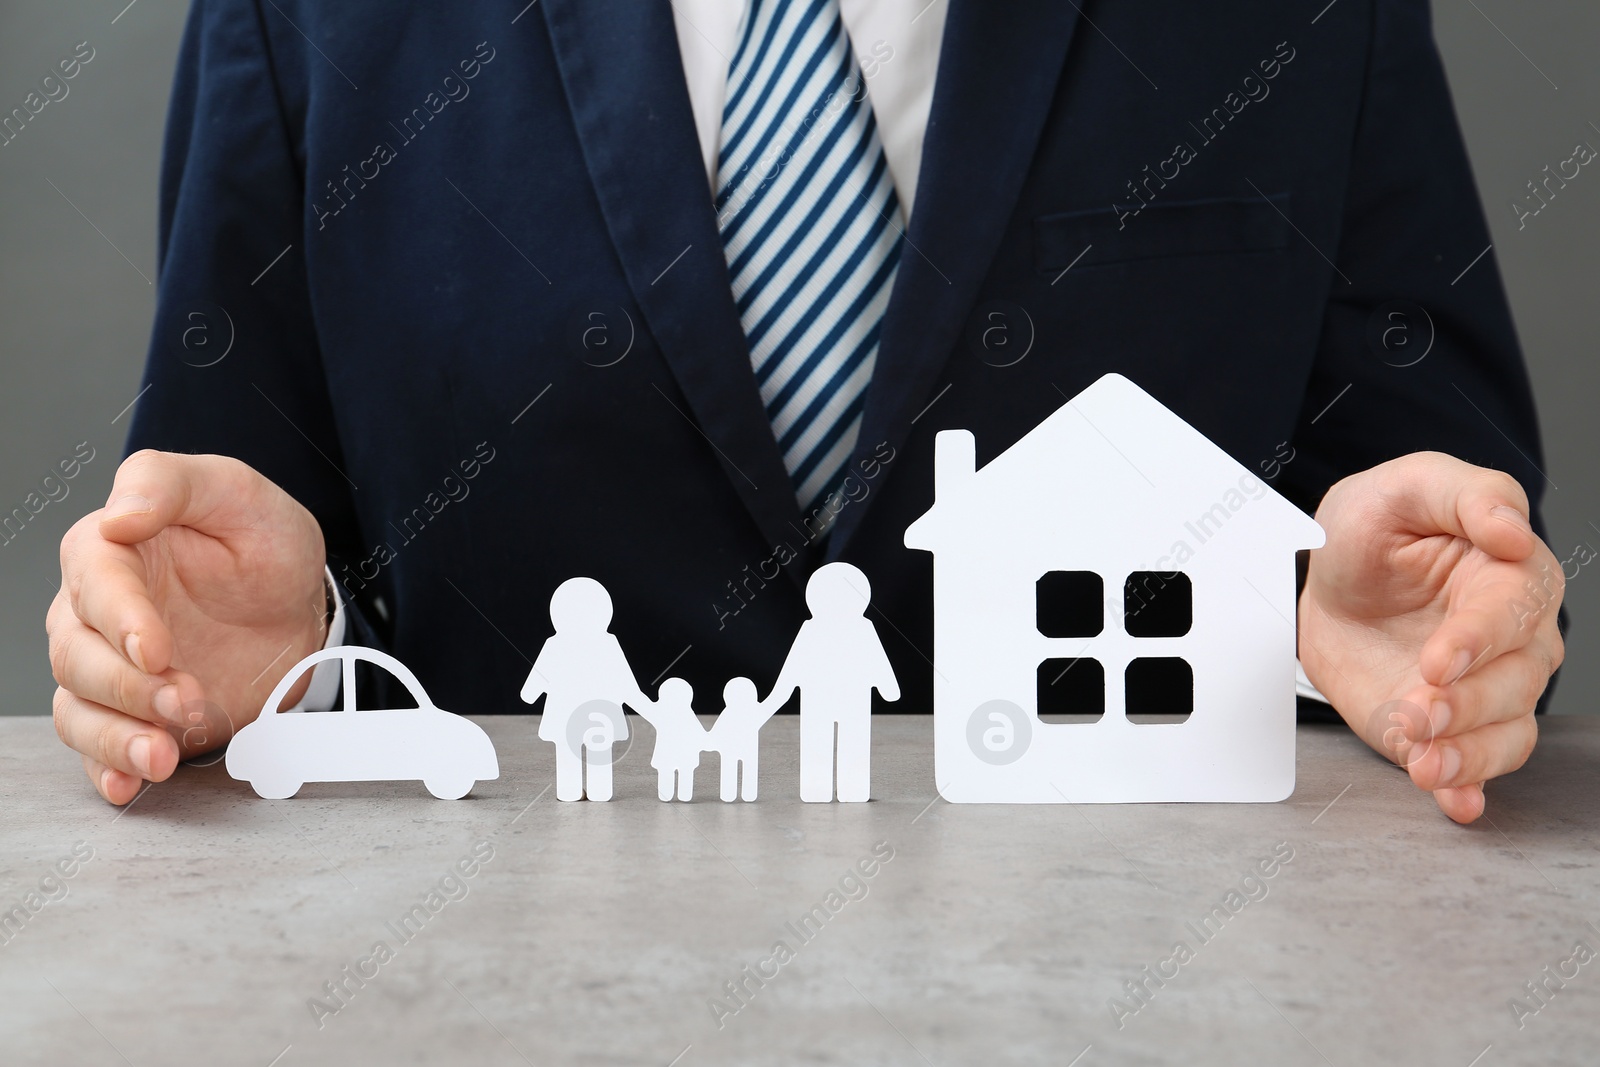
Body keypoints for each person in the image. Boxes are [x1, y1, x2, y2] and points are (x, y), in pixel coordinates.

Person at [46, 0, 1563, 824]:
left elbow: (1425, 522)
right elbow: (218, 526)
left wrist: (1410, 647)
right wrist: (257, 662)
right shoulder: (304, 19)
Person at [765, 563, 900, 802]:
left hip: (844, 700)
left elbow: (876, 658)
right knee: (820, 744)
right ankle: (820, 788)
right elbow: (793, 666)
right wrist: (888, 689)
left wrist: (778, 695)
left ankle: (850, 788)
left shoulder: (860, 628)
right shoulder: (817, 628)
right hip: (828, 700)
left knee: (850, 744)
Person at [519, 578, 648, 802]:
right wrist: (646, 706)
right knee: (598, 752)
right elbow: (627, 685)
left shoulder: (555, 644)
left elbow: (529, 692)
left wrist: (531, 693)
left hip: (565, 713)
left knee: (569, 751)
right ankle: (598, 792)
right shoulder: (607, 643)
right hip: (601, 715)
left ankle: (571, 791)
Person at [707, 676, 778, 802]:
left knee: (740, 768)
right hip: (739, 749)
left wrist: (709, 740)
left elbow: (717, 730)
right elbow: (718, 730)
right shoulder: (738, 712)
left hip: (740, 749)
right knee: (736, 767)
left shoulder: (735, 712)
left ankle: (739, 794)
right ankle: (737, 794)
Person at [642, 678, 708, 802]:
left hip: (674, 755)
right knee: (678, 772)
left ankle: (677, 795)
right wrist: (707, 743)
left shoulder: (665, 714)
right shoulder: (683, 715)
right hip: (681, 756)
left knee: (679, 772)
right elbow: (699, 734)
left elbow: (644, 706)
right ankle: (676, 794)